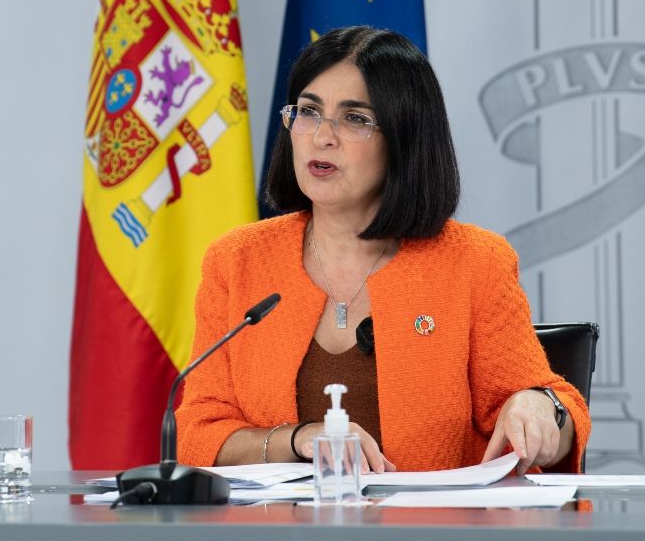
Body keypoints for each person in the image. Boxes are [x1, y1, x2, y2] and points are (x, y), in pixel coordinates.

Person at [176, 26, 589, 474]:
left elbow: (556, 412)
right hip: (279, 516)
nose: (322, 137)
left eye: (355, 118)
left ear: (403, 138)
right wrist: (299, 440)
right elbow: (198, 433)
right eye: (309, 112)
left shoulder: (475, 262)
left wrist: (540, 408)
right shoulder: (237, 260)